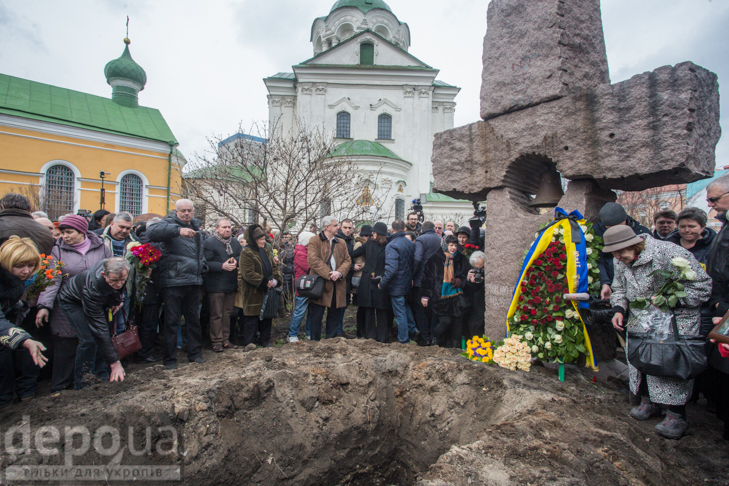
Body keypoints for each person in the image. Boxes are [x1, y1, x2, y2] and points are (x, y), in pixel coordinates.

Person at [607, 226, 711, 439]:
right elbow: (619, 288)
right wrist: (619, 309)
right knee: (642, 360)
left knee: (668, 362)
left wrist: (671, 300)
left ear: (634, 244)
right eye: (614, 253)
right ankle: (649, 402)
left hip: (674, 321)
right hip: (641, 319)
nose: (617, 258)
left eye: (620, 252)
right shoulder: (620, 260)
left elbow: (702, 287)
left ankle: (676, 415)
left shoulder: (669, 253)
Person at [36, 215, 111, 391]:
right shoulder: (58, 251)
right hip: (67, 305)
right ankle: (61, 386)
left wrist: (116, 299)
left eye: (69, 232)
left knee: (96, 341)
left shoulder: (101, 248)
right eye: (62, 232)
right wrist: (44, 305)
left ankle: (93, 381)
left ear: (82, 231)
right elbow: (53, 279)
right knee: (67, 345)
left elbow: (111, 273)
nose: (65, 236)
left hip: (94, 303)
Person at [147, 199, 206, 370]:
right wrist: (178, 231)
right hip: (173, 281)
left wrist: (202, 265)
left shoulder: (196, 226)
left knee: (194, 320)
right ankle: (170, 359)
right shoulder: (168, 224)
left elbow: (198, 252)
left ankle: (195, 354)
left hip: (193, 281)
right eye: (183, 211)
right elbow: (152, 232)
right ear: (176, 211)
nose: (186, 213)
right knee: (172, 322)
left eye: (189, 210)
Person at [58, 258, 130, 389]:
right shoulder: (92, 287)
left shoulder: (119, 271)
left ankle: (102, 375)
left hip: (101, 298)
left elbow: (120, 287)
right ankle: (83, 382)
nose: (119, 284)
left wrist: (118, 299)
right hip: (73, 301)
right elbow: (99, 328)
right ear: (104, 275)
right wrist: (115, 363)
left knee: (104, 337)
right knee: (89, 340)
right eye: (114, 281)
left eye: (122, 280)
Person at [0, 237, 49, 409]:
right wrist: (24, 340)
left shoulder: (17, 282)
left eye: (30, 265)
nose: (26, 271)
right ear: (6, 262)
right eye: (19, 266)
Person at [704, 175, 729, 440]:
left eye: (715, 199)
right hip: (721, 308)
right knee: (721, 365)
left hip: (726, 309)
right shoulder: (724, 225)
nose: (711, 204)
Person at [594, 202, 651, 300]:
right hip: (609, 280)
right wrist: (605, 282)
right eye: (610, 229)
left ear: (625, 220)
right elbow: (598, 259)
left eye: (617, 227)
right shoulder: (596, 232)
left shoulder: (642, 233)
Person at [307, 216, 351, 341]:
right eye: (336, 225)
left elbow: (348, 260)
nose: (338, 227)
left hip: (337, 285)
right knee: (316, 316)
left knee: (334, 315)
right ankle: (315, 342)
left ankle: (331, 341)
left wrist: (339, 273)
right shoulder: (314, 240)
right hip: (321, 284)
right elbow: (313, 261)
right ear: (327, 227)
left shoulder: (341, 242)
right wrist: (330, 274)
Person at [420, 234, 469, 348]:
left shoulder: (461, 259)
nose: (453, 248)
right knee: (445, 322)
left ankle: (455, 347)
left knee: (457, 324)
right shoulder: (435, 259)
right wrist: (425, 295)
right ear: (445, 245)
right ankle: (435, 341)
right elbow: (426, 278)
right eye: (451, 245)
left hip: (457, 298)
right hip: (440, 298)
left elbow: (467, 276)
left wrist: (460, 281)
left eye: (455, 245)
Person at [237, 224, 281, 347]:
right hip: (253, 292)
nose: (263, 241)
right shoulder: (247, 253)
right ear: (253, 240)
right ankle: (249, 342)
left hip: (269, 290)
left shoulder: (265, 251)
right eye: (261, 239)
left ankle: (265, 341)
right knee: (252, 318)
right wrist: (264, 281)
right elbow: (248, 273)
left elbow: (274, 267)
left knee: (267, 317)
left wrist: (276, 280)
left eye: (264, 239)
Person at [204, 218, 242, 353]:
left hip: (231, 284)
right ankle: (216, 341)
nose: (227, 229)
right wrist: (222, 266)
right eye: (224, 227)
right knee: (216, 314)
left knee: (227, 314)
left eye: (229, 227)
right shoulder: (209, 243)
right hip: (216, 285)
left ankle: (226, 340)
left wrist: (235, 262)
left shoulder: (235, 242)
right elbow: (205, 263)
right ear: (217, 229)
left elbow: (240, 256)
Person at [350, 222, 391, 342]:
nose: (371, 233)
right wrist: (352, 265)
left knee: (382, 309)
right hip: (367, 280)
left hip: (382, 280)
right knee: (368, 308)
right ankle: (370, 335)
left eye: (374, 232)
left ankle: (382, 336)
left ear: (380, 233)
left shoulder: (388, 245)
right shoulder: (369, 243)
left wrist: (383, 276)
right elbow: (354, 253)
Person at [380, 220, 418, 344]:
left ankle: (403, 338)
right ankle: (413, 329)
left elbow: (391, 269)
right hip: (407, 282)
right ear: (405, 229)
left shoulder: (391, 245)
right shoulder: (410, 244)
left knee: (400, 312)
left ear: (392, 230)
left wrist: (383, 284)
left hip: (396, 285)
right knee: (405, 306)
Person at [99, 212, 138, 333]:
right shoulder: (98, 238)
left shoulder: (135, 242)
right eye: (121, 227)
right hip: (101, 288)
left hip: (124, 289)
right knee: (101, 324)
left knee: (120, 324)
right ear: (112, 224)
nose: (124, 231)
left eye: (128, 228)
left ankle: (117, 350)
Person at [413, 221, 443, 346]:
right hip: (437, 279)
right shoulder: (440, 239)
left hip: (422, 278)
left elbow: (418, 258)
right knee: (433, 309)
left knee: (420, 309)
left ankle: (425, 336)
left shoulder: (421, 240)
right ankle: (434, 336)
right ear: (433, 229)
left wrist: (413, 274)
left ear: (422, 230)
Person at [287, 232, 316, 342]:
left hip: (311, 285)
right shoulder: (300, 253)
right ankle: (292, 334)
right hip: (303, 286)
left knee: (311, 311)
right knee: (300, 311)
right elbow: (309, 267)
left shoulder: (307, 251)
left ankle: (309, 332)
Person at [335, 218, 355, 336]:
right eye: (345, 228)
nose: (347, 230)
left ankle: (339, 329)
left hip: (348, 278)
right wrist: (352, 267)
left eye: (349, 228)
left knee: (344, 305)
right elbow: (340, 260)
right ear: (340, 228)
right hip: (340, 277)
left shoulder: (350, 240)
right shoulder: (338, 240)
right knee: (339, 306)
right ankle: (336, 331)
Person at [351, 225, 371, 338]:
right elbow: (358, 262)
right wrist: (370, 266)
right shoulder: (360, 243)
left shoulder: (364, 243)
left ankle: (362, 331)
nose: (367, 237)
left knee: (363, 307)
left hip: (362, 276)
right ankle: (360, 331)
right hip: (360, 277)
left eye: (369, 235)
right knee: (361, 306)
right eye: (366, 235)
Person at [465, 251, 486, 339]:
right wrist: (468, 280)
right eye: (476, 269)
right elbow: (467, 290)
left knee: (476, 324)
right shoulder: (471, 272)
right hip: (475, 302)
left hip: (483, 300)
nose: (479, 271)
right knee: (473, 324)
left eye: (481, 268)